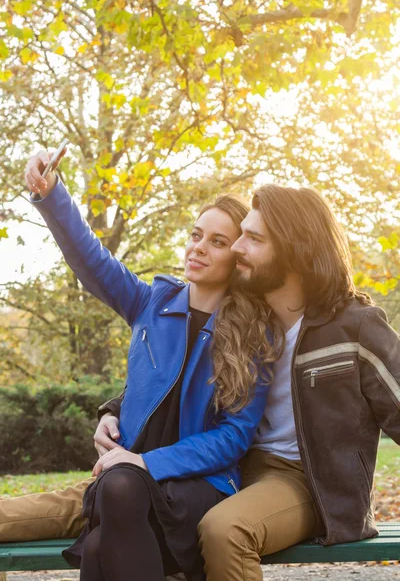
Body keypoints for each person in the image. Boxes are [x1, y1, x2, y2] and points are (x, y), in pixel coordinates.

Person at [13, 149, 277, 581]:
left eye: (217, 241)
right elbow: (92, 261)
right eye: (196, 235)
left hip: (200, 486)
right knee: (114, 500)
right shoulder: (151, 302)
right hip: (127, 485)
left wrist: (147, 464)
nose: (198, 247)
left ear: (238, 257)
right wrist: (53, 195)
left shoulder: (254, 333)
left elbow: (234, 437)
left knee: (108, 518)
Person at [197, 183, 400, 581]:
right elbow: (170, 370)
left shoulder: (354, 326)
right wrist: (114, 411)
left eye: (253, 238)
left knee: (225, 530)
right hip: (229, 467)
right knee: (141, 511)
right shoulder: (238, 317)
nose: (237, 247)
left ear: (295, 250)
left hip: (307, 481)